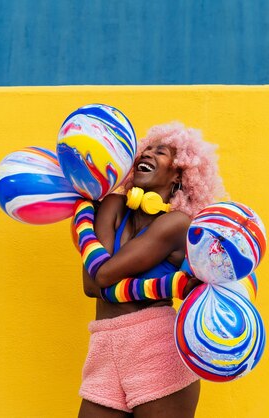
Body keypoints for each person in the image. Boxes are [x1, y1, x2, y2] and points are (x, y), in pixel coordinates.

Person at [74, 122, 225, 418]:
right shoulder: (114, 204)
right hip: (104, 346)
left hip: (155, 347)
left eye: (162, 152)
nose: (149, 154)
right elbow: (91, 285)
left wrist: (83, 219)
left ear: (179, 175)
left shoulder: (177, 224)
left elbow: (102, 275)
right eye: (146, 149)